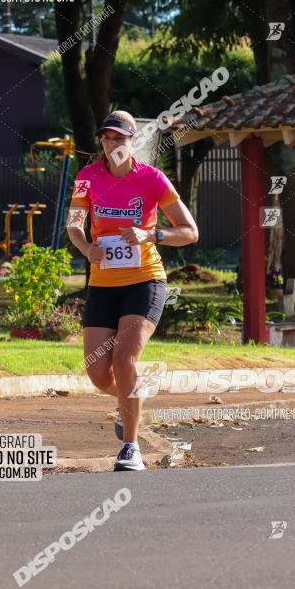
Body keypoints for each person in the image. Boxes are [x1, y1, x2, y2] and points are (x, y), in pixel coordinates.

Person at [66, 110, 199, 471]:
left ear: (132, 141)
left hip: (145, 281)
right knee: (98, 374)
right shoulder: (86, 178)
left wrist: (150, 234)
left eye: (119, 138)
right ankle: (132, 401)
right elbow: (74, 224)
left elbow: (189, 231)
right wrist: (86, 248)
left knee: (125, 359)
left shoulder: (153, 180)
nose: (112, 144)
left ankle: (130, 447)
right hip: (104, 284)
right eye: (107, 138)